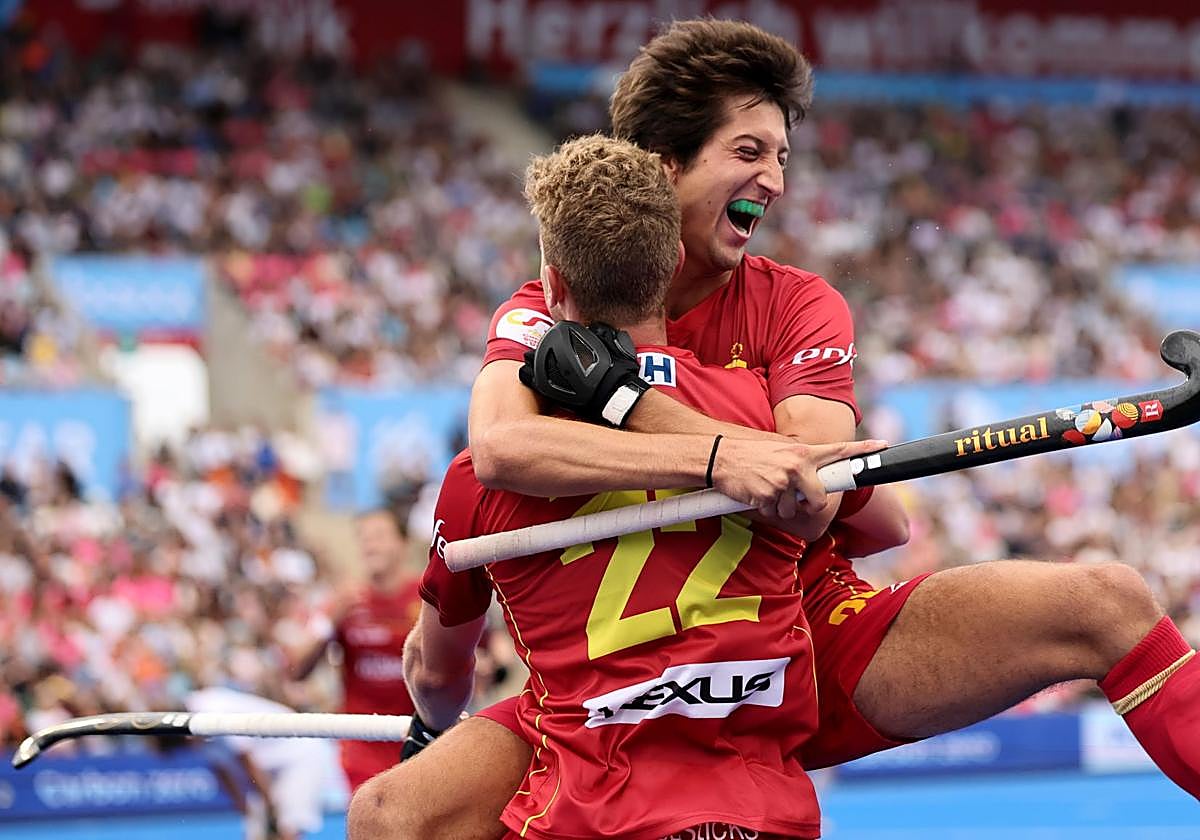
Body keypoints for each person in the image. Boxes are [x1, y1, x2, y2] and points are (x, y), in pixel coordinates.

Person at [357, 17, 1200, 838]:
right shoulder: (550, 298)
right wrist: (724, 445)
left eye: (783, 157)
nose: (777, 182)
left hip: (796, 634)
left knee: (1104, 601)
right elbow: (500, 450)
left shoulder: (795, 303)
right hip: (625, 674)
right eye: (750, 151)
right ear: (662, 167)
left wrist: (632, 407)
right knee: (395, 814)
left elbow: (822, 501)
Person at [350, 133, 886, 840]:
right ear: (669, 266)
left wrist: (436, 723)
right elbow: (886, 525)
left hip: (591, 813)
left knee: (382, 819)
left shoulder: (480, 476)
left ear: (550, 284)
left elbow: (436, 670)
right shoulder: (766, 427)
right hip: (764, 809)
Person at [288, 507, 422, 790]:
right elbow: (295, 670)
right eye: (364, 538)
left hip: (420, 736)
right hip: (362, 743)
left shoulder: (426, 597)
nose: (370, 544)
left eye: (379, 536)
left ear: (402, 543)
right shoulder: (343, 601)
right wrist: (329, 621)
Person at [186, 685, 345, 840]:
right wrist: (246, 809)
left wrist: (271, 807)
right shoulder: (192, 723)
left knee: (288, 824)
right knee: (256, 829)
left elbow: (247, 761)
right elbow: (221, 770)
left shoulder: (212, 710)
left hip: (301, 754)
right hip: (268, 765)